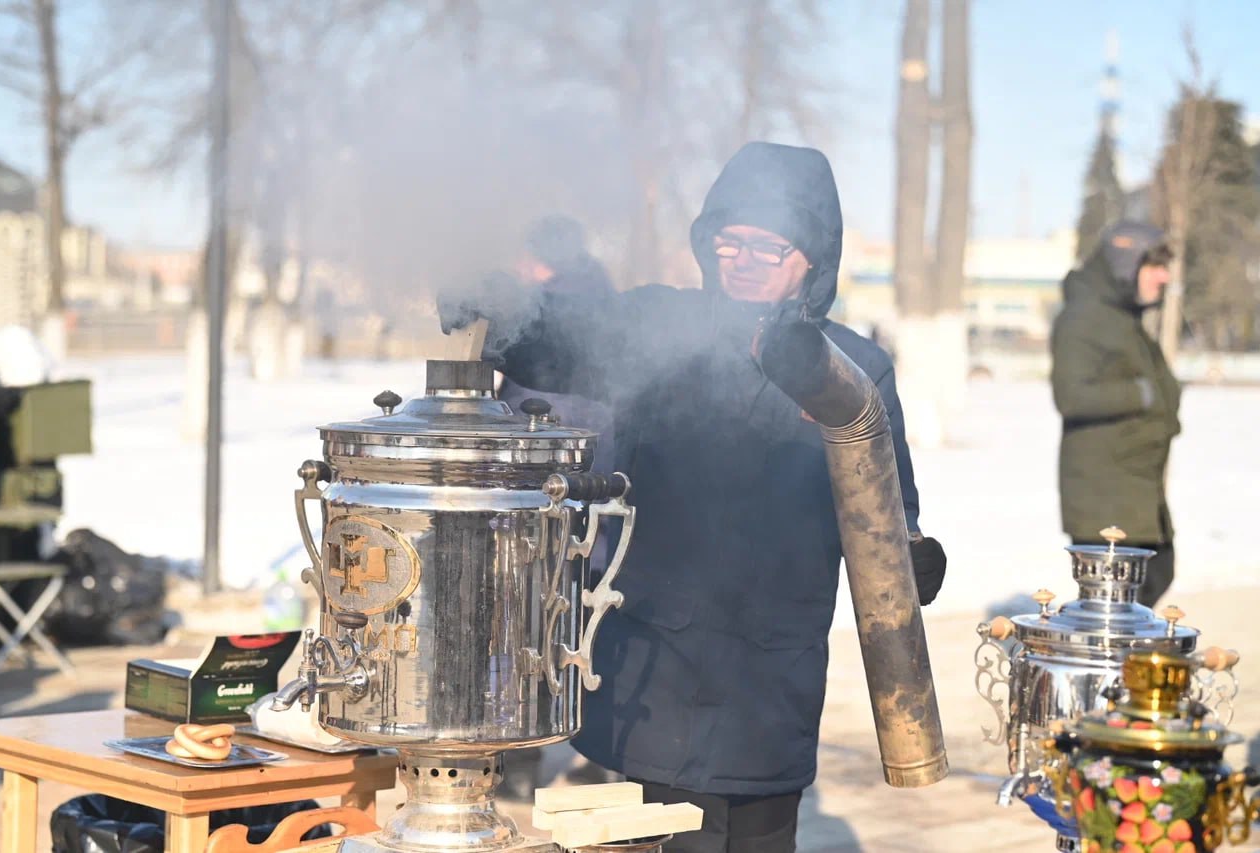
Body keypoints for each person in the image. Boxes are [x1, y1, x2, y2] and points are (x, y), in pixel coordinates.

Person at [442, 142, 946, 853]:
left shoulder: (855, 367)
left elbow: (888, 501)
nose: (739, 260)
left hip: (775, 675)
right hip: (661, 672)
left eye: (766, 248)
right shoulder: (662, 327)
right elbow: (569, 342)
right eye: (727, 241)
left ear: (813, 259)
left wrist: (911, 551)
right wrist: (508, 313)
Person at [496, 216, 621, 802]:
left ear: (540, 260)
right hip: (592, 487)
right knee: (588, 619)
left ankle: (521, 757)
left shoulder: (549, 311)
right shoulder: (600, 299)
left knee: (530, 618)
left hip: (552, 483)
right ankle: (603, 755)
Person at [1050, 220, 1180, 607]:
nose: (1165, 276)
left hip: (1136, 490)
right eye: (1155, 265)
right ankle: (1102, 667)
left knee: (1157, 574)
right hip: (1105, 498)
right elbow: (1070, 396)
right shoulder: (1084, 317)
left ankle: (1122, 666)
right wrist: (1141, 395)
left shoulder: (1122, 318)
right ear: (1127, 264)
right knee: (1114, 608)